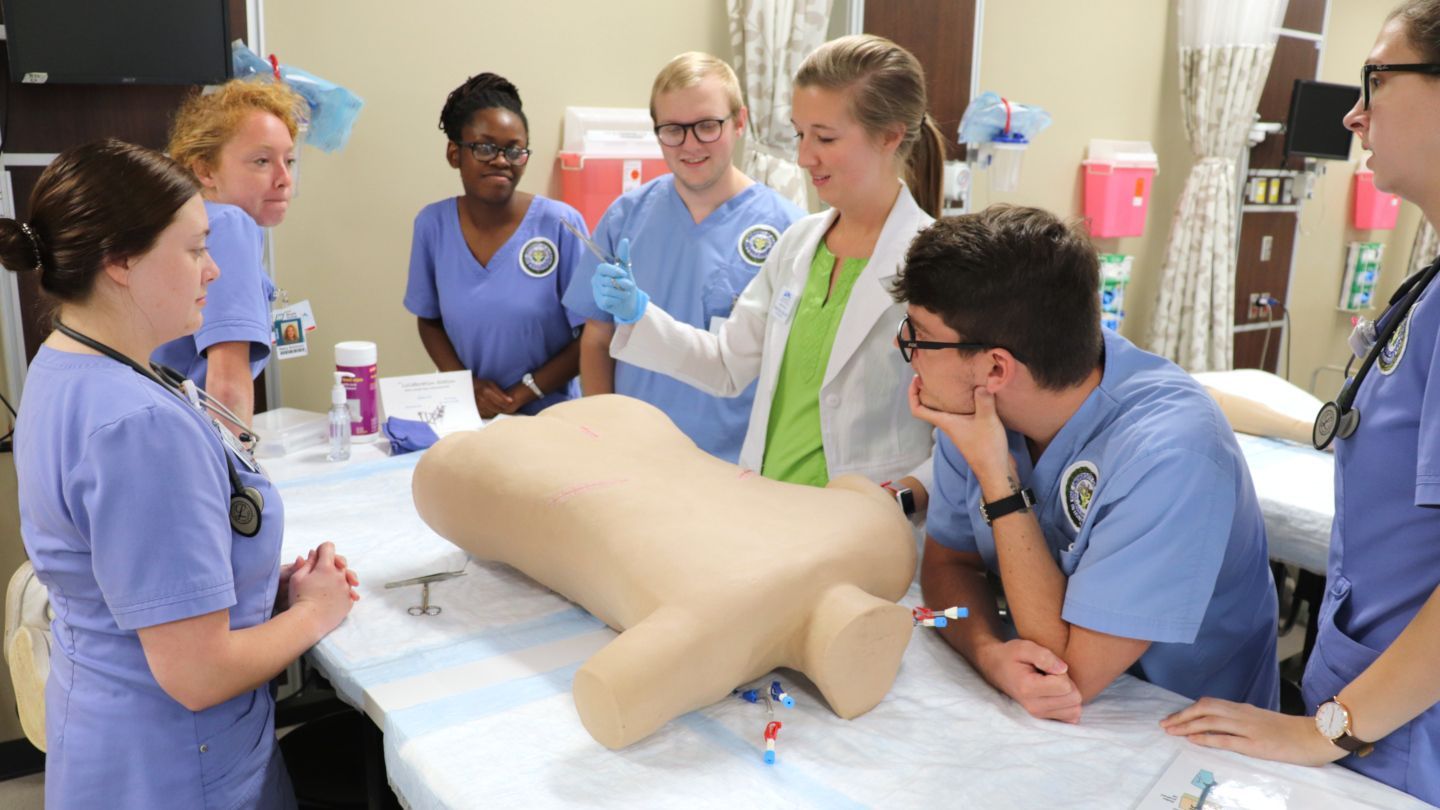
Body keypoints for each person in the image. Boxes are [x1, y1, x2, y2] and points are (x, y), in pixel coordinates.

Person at [5, 139, 358, 809]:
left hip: (109, 737)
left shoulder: (66, 366)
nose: (215, 272)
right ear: (120, 260)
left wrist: (261, 587)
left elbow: (127, 575)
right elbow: (198, 673)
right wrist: (316, 610)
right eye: (195, 249)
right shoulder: (139, 426)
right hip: (174, 765)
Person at [1163, 3, 1440, 802]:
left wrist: (1331, 728)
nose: (1355, 113)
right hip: (1379, 708)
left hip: (1403, 736)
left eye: (1377, 79)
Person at [898, 206, 1278, 723]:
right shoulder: (982, 409)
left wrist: (996, 475)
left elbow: (1070, 677)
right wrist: (990, 653)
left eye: (918, 337)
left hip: (1182, 727)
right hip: (1046, 704)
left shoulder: (1170, 455)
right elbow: (948, 564)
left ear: (994, 367)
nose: (908, 351)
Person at [590, 35, 944, 508]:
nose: (803, 156)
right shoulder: (797, 246)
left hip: (869, 528)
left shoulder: (938, 265)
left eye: (825, 137)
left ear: (890, 135)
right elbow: (725, 366)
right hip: (771, 512)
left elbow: (965, 433)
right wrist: (638, 313)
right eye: (800, 134)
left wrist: (903, 497)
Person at [561, 52, 803, 462]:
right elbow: (597, 338)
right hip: (635, 451)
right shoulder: (626, 217)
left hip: (737, 460)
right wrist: (602, 436)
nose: (690, 145)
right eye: (673, 129)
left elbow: (790, 369)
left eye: (708, 126)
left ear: (739, 122)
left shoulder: (788, 230)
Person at [405, 72, 586, 418]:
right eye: (485, 148)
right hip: (469, 415)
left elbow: (593, 334)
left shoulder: (561, 225)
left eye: (514, 150)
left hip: (550, 416)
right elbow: (429, 320)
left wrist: (523, 393)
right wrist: (466, 386)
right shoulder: (433, 225)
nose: (502, 160)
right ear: (455, 153)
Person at [152, 78, 304, 430]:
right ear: (205, 169)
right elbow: (227, 386)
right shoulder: (229, 225)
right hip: (195, 433)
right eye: (262, 161)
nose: (284, 179)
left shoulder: (182, 220)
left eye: (290, 160)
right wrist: (241, 479)